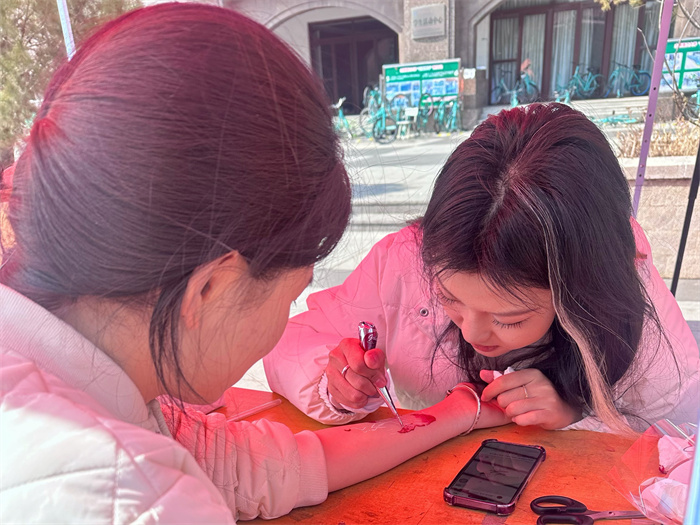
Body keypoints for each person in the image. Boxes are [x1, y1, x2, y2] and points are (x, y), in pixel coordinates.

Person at [0, 5, 509, 523]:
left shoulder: (79, 381)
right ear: (210, 287)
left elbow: (267, 467)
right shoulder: (140, 495)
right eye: (291, 295)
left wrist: (460, 408)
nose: (285, 320)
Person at [265, 102, 700, 435]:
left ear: (580, 290)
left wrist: (577, 416)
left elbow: (677, 442)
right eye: (448, 298)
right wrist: (334, 383)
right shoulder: (402, 259)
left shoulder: (631, 308)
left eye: (509, 319)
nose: (473, 332)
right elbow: (288, 341)